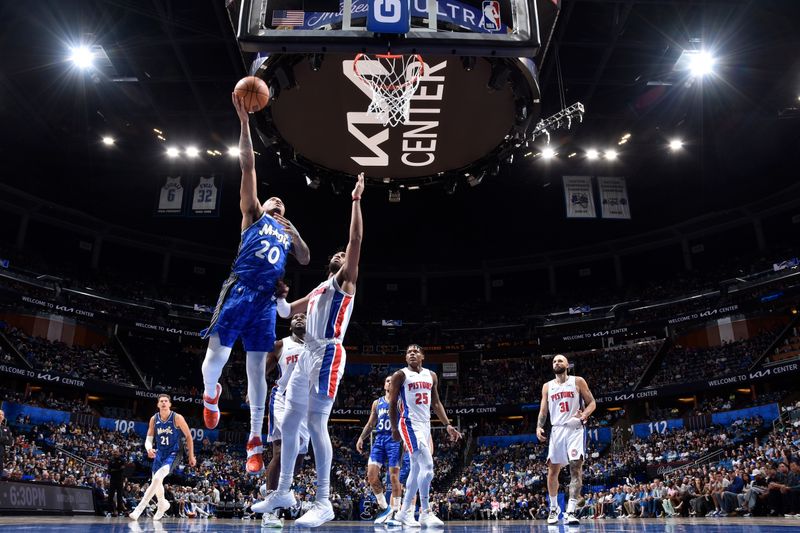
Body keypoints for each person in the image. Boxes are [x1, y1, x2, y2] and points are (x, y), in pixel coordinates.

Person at [199, 92, 310, 474]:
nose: (277, 202)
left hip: (264, 302)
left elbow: (306, 258)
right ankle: (211, 394)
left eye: (282, 203)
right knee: (218, 357)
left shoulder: (284, 234)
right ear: (262, 206)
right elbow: (247, 167)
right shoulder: (253, 216)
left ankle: (253, 441)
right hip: (239, 290)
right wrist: (245, 122)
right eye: (272, 200)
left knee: (257, 369)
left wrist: (293, 233)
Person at [252, 173, 365, 527]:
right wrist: (279, 296)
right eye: (334, 253)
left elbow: (356, 238)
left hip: (329, 353)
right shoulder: (318, 289)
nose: (338, 253)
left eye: (341, 254)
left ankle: (323, 500)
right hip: (306, 355)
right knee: (287, 423)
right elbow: (288, 312)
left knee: (316, 424)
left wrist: (356, 200)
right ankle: (283, 490)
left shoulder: (345, 282)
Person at [389, 344, 462, 527]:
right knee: (428, 466)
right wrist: (394, 429)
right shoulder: (401, 375)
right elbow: (392, 403)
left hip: (425, 425)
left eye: (416, 351)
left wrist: (447, 425)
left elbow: (436, 403)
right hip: (408, 423)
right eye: (408, 352)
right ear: (406, 358)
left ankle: (404, 512)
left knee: (416, 469)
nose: (412, 354)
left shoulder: (431, 375)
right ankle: (425, 512)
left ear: (422, 356)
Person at [258, 312, 311, 528]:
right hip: (282, 398)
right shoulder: (281, 344)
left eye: (303, 316)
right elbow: (264, 368)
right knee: (281, 452)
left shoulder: (316, 344)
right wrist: (254, 389)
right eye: (295, 317)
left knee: (297, 460)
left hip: (307, 403)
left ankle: (272, 487)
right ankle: (270, 509)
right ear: (290, 324)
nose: (298, 318)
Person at [536, 354, 596, 525]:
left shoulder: (578, 381)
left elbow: (592, 403)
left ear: (567, 365)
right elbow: (543, 410)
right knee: (553, 471)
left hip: (575, 428)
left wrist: (584, 414)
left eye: (560, 360)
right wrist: (539, 426)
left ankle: (571, 511)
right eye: (554, 361)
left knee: (576, 468)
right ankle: (554, 508)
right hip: (557, 430)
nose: (557, 363)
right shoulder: (547, 386)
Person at [130, 394, 196, 521]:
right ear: (158, 404)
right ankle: (162, 504)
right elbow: (148, 439)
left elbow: (188, 436)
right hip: (160, 452)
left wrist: (191, 456)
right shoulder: (154, 419)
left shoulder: (177, 418)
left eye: (166, 401)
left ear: (170, 404)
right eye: (161, 401)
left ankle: (139, 509)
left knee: (157, 478)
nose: (164, 403)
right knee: (157, 481)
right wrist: (149, 448)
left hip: (175, 452)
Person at [356, 376, 403, 524]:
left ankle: (396, 511)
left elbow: (406, 420)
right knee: (371, 475)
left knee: (394, 477)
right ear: (384, 385)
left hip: (395, 440)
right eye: (387, 380)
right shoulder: (377, 403)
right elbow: (371, 424)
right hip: (379, 440)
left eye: (392, 381)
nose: (390, 382)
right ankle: (384, 508)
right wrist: (361, 438)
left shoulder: (401, 401)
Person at [107, 448, 127, 516]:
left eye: (116, 452)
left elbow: (122, 469)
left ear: (119, 453)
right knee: (110, 496)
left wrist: (114, 470)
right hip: (113, 480)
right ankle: (111, 510)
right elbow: (109, 471)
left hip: (120, 480)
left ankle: (119, 511)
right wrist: (118, 469)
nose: (115, 453)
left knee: (119, 496)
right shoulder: (111, 461)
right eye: (114, 452)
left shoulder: (122, 460)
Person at [0, 409, 10, 480]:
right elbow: (6, 439)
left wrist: (2, 439)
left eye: (2, 414)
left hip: (1, 454)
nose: (1, 416)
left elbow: (10, 441)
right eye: (0, 414)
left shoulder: (6, 428)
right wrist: (5, 438)